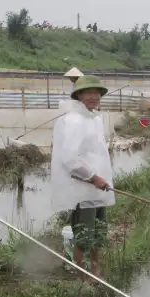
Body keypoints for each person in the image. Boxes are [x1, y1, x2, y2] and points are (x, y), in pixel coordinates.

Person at [51, 75, 115, 285]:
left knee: (98, 230)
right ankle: (82, 277)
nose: (94, 96)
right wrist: (92, 177)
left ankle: (95, 271)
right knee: (83, 233)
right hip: (82, 187)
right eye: (89, 92)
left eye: (97, 93)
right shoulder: (73, 120)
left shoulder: (94, 119)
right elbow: (69, 159)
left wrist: (100, 180)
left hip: (98, 187)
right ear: (79, 95)